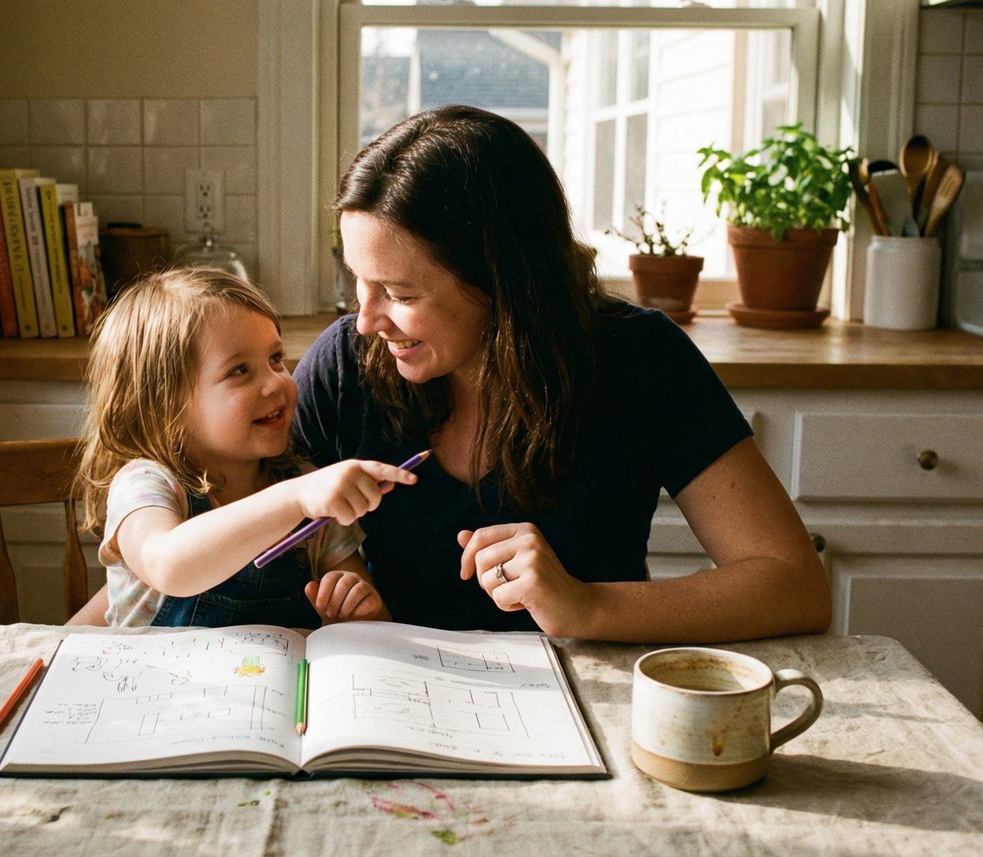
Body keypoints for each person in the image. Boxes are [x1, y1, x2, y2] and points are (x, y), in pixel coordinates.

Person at [291, 104, 831, 642]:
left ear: (501, 280)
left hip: (592, 699)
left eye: (400, 293)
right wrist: (342, 575)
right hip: (400, 698)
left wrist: (586, 605)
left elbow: (794, 586)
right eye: (358, 280)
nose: (365, 321)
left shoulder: (639, 357)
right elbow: (248, 531)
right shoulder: (345, 365)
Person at [71, 267, 415, 628]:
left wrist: (356, 607)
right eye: (239, 371)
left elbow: (374, 626)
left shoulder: (308, 489)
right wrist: (295, 498)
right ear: (165, 404)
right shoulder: (147, 485)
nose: (275, 383)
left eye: (276, 359)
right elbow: (168, 565)